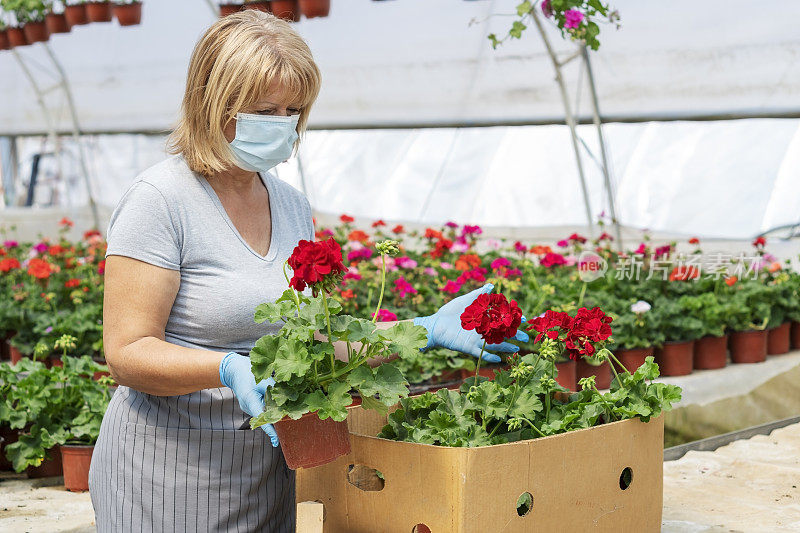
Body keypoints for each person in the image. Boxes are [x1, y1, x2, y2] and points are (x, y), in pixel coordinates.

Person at [88, 10, 527, 532]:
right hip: (167, 478)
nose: (283, 123)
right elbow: (128, 351)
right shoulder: (160, 201)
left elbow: (314, 349)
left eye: (293, 109)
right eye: (265, 109)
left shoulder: (291, 206)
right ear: (214, 103)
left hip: (265, 471)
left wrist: (422, 332)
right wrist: (227, 367)